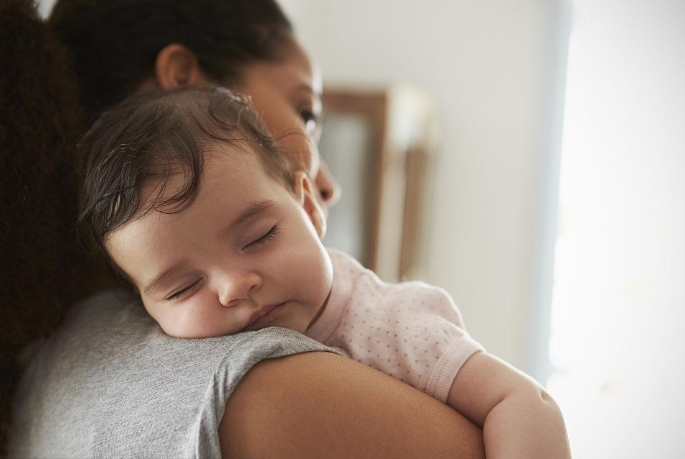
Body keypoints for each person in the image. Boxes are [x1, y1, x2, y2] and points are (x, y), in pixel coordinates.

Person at [6, 0, 488, 457]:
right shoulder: (265, 392)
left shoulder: (46, 365)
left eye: (257, 236)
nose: (327, 186)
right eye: (305, 113)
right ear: (180, 85)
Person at [76, 86, 571, 459]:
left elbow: (524, 401)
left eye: (259, 237)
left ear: (308, 207)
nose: (233, 286)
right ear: (141, 304)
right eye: (184, 288)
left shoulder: (391, 323)